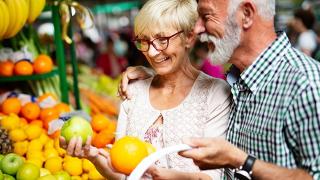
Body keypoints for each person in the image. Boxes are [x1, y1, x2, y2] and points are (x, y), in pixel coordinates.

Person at [119, 0, 320, 179]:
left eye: (206, 16)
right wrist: (155, 73)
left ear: (247, 15)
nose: (197, 29)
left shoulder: (306, 83)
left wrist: (240, 160)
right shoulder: (237, 81)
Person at [60, 0, 231, 179]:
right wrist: (93, 157)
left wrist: (159, 174)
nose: (152, 52)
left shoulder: (215, 94)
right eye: (144, 41)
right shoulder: (133, 91)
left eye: (162, 40)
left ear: (188, 37)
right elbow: (123, 172)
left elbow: (213, 176)